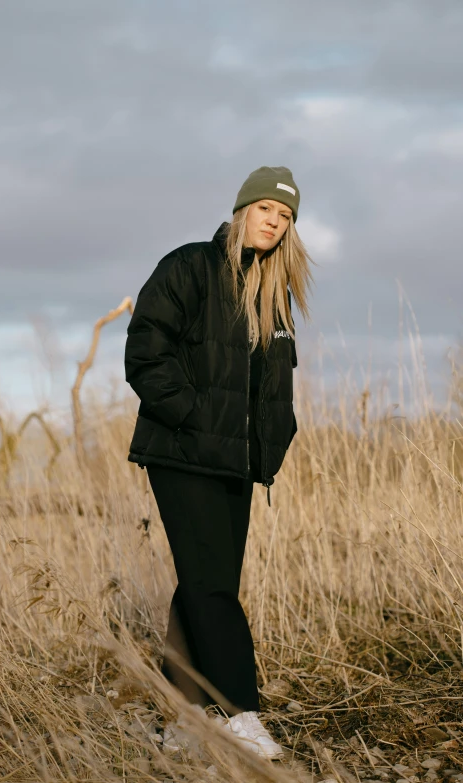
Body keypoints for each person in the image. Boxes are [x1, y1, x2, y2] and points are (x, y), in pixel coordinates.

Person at [124, 166, 314, 758]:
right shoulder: (190, 267)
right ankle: (240, 712)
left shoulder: (273, 292)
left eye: (284, 217)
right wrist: (192, 416)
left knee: (206, 585)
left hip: (236, 462)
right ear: (242, 210)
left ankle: (182, 720)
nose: (274, 222)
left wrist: (276, 436)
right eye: (265, 210)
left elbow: (272, 388)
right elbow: (145, 350)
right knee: (214, 588)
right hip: (183, 454)